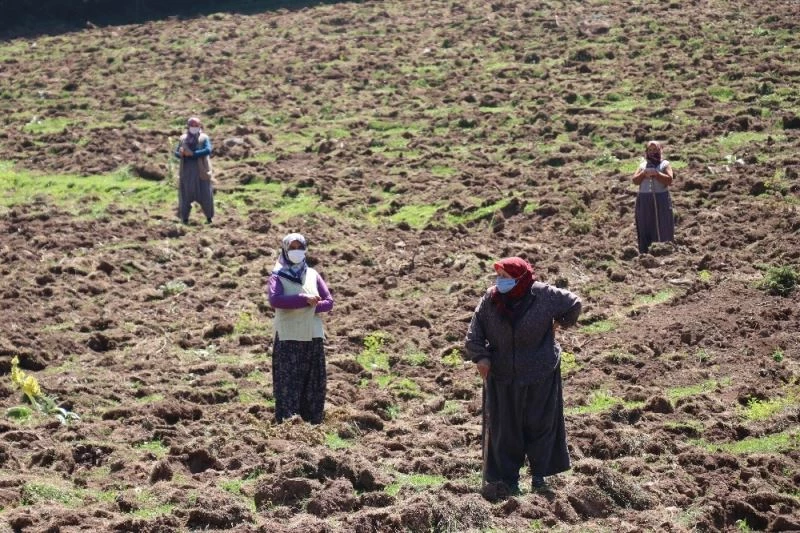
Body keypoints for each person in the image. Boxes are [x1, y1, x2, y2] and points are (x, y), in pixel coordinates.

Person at [465, 257, 581, 496]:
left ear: (521, 279)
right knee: (506, 430)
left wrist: (559, 324)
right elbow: (474, 334)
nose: (500, 281)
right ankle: (508, 481)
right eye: (499, 276)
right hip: (503, 375)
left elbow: (573, 303)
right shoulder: (490, 300)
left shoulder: (542, 295)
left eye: (506, 277)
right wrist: (481, 357)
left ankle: (540, 477)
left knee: (540, 424)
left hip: (540, 371)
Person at [267, 233, 334, 424]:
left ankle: (313, 422)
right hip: (289, 336)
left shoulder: (312, 274)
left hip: (312, 335)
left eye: (300, 247)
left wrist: (311, 307)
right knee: (288, 382)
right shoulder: (278, 275)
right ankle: (289, 423)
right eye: (292, 248)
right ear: (285, 250)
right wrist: (303, 300)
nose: (296, 251)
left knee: (313, 381)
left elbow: (329, 302)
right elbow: (276, 300)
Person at [632, 140, 674, 254]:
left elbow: (669, 180)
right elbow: (635, 181)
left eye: (655, 149)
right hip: (644, 200)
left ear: (660, 150)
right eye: (650, 150)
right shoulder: (642, 166)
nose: (652, 152)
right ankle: (645, 252)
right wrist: (643, 174)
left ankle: (663, 249)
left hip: (661, 199)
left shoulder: (665, 164)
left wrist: (657, 174)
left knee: (662, 223)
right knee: (645, 224)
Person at [174, 117, 214, 225]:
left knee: (205, 194)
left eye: (196, 125)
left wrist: (193, 154)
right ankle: (185, 219)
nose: (194, 127)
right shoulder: (183, 138)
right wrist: (181, 154)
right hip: (187, 171)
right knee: (185, 196)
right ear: (188, 126)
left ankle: (209, 218)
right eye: (192, 125)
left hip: (201, 171)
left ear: (200, 126)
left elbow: (208, 150)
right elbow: (176, 152)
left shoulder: (204, 138)